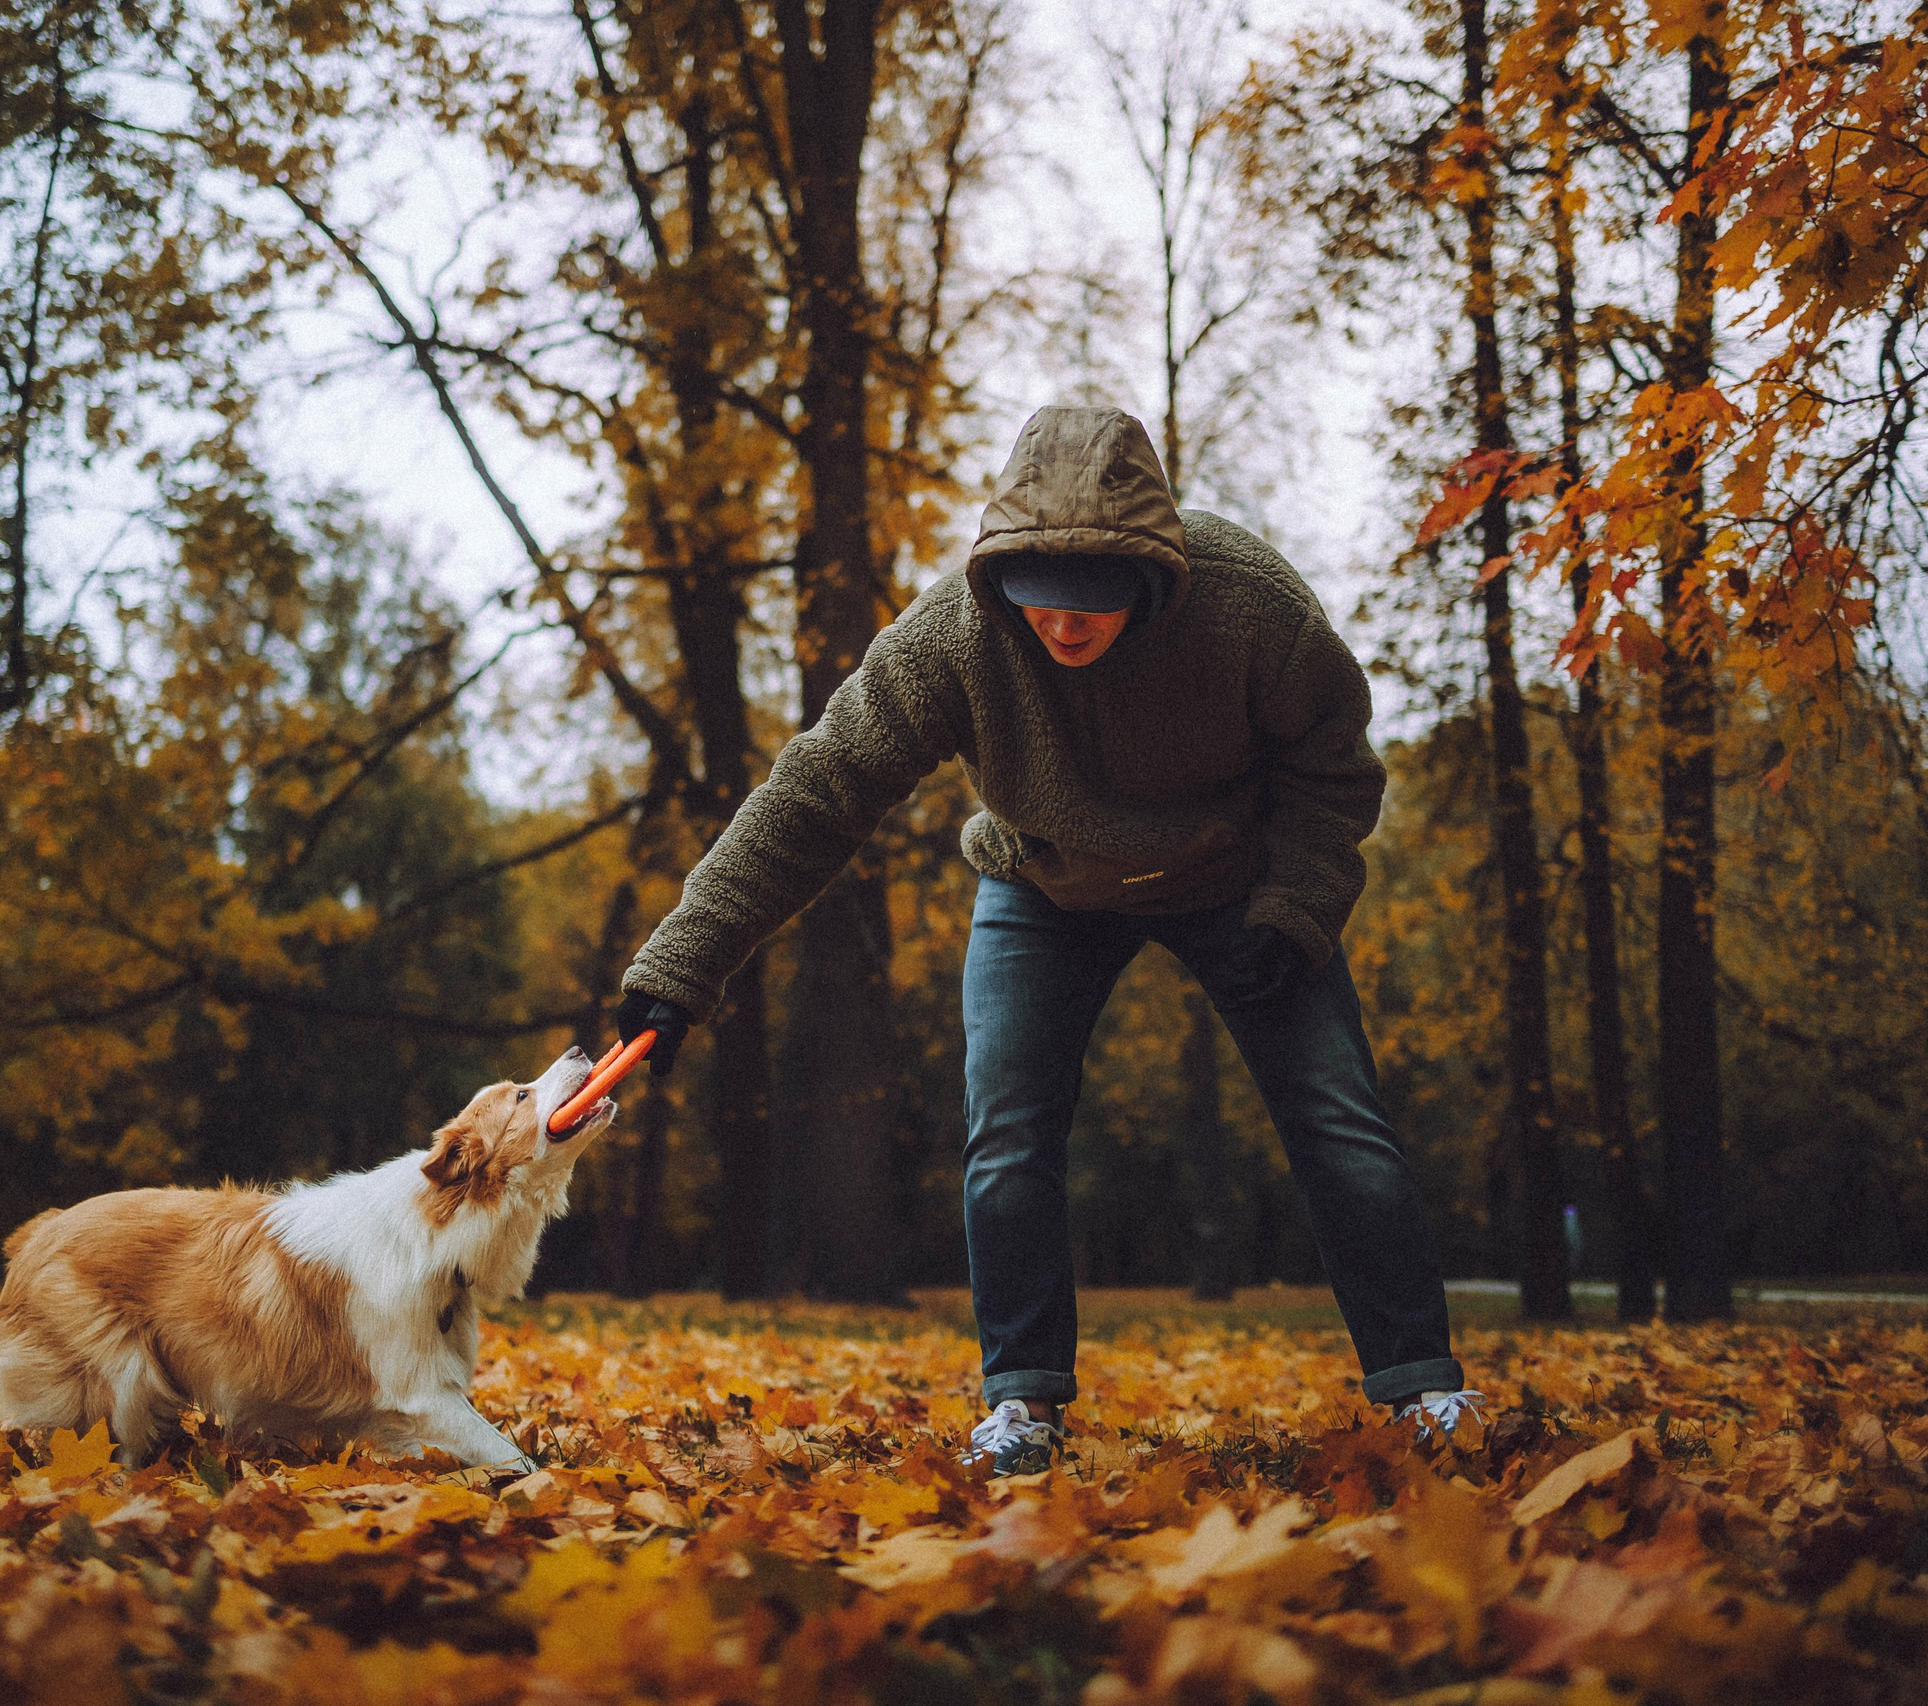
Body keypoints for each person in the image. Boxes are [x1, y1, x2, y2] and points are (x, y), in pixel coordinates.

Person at [613, 404, 1479, 1473]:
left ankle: (1423, 1388)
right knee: (1008, 1127)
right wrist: (680, 965)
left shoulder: (1251, 605)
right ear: (1000, 573)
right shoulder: (954, 636)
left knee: (1337, 1119)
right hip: (1044, 883)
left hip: (1237, 885)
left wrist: (1297, 902)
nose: (1063, 625)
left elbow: (1335, 766)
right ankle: (1021, 1404)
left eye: (1093, 599)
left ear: (1153, 573)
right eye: (1038, 598)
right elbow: (815, 792)